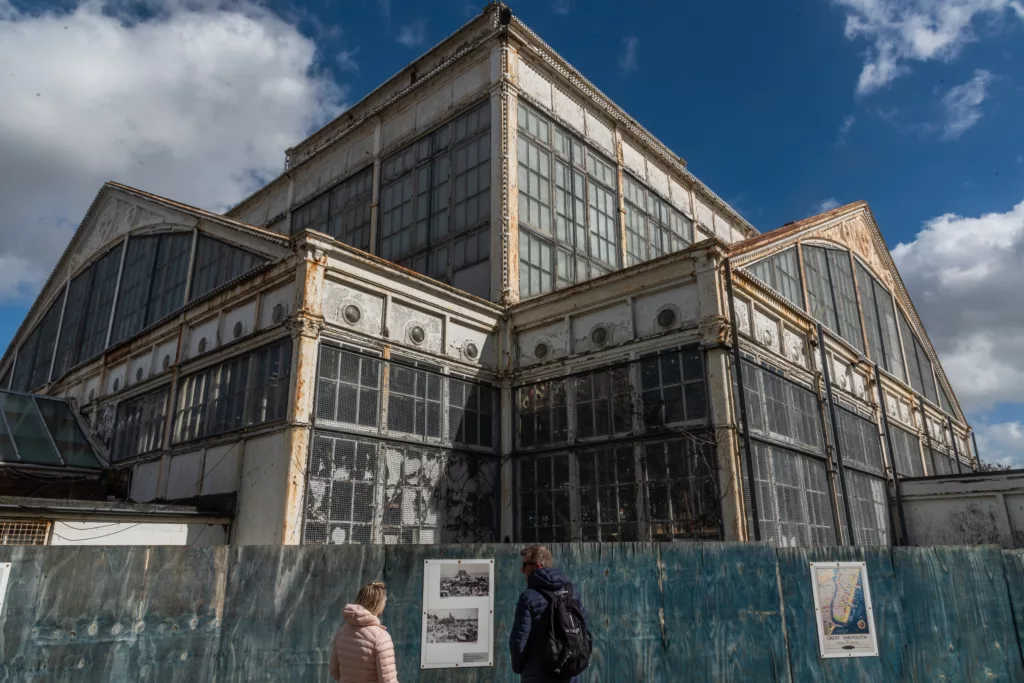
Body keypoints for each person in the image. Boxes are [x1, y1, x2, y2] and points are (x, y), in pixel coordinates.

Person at [509, 545, 588, 683]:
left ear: (538, 566)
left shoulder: (528, 597)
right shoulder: (572, 592)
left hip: (538, 675)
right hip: (569, 674)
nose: (522, 570)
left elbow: (519, 641)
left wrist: (519, 667)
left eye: (525, 565)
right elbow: (584, 632)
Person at [329, 580, 399, 683]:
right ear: (379, 605)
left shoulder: (341, 632)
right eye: (384, 601)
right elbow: (388, 680)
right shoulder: (381, 638)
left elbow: (333, 670)